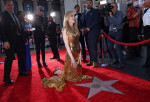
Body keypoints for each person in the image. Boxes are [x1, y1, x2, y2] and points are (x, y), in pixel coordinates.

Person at [41, 11, 92, 92]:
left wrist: (80, 53)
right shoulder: (65, 29)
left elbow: (78, 42)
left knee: (78, 74)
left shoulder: (75, 27)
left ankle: (61, 71)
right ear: (67, 18)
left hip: (77, 52)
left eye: (74, 16)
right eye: (71, 16)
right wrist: (72, 59)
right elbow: (67, 46)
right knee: (73, 77)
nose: (73, 17)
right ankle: (61, 72)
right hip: (71, 53)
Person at [1, 0, 29, 84]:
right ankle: (6, 78)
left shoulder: (15, 15)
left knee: (21, 56)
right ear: (5, 6)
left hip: (19, 40)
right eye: (9, 5)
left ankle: (21, 71)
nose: (11, 7)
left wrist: (24, 38)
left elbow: (20, 28)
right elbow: (2, 30)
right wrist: (5, 41)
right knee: (9, 58)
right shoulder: (3, 15)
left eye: (12, 5)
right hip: (10, 41)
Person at [81, 0, 100, 68]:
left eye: (89, 3)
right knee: (89, 47)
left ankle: (95, 61)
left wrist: (89, 28)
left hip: (93, 32)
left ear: (92, 4)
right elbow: (82, 22)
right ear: (86, 4)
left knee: (93, 47)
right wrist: (82, 28)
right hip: (86, 32)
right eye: (87, 3)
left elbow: (96, 21)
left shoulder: (96, 11)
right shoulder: (84, 13)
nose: (88, 4)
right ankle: (91, 60)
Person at [104, 2, 124, 68]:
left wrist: (112, 16)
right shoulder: (109, 14)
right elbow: (107, 24)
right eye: (111, 7)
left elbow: (118, 22)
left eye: (114, 7)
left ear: (117, 7)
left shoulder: (120, 13)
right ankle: (116, 59)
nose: (112, 8)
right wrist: (105, 17)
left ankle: (121, 62)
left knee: (118, 47)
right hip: (111, 32)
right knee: (110, 47)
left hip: (118, 31)